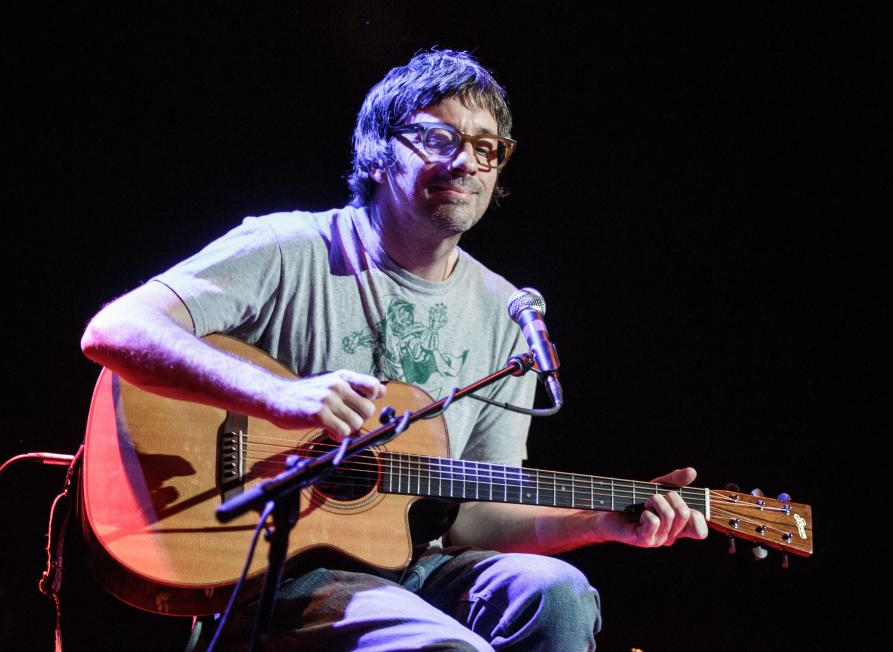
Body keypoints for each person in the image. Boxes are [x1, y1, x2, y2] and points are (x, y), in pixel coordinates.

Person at [81, 48, 708, 651]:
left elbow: (472, 518)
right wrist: (277, 394)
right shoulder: (290, 247)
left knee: (561, 596)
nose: (467, 162)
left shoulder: (507, 312)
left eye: (487, 148)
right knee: (443, 647)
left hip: (417, 568)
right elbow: (117, 329)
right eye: (440, 139)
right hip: (279, 568)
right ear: (378, 153)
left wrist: (597, 524)